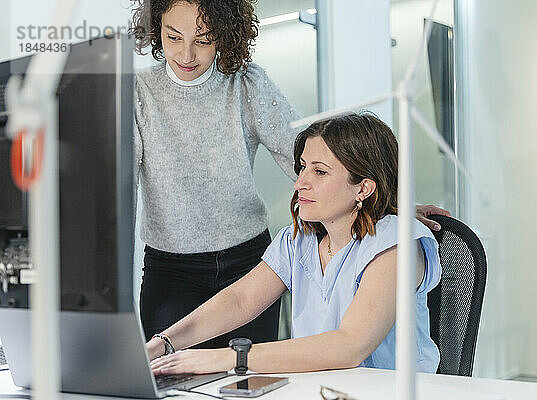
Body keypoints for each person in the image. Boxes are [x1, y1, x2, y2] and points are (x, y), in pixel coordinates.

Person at [130, 0, 449, 350]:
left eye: (203, 40)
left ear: (224, 36)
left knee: (245, 380)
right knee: (171, 372)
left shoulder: (247, 85)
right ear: (156, 31)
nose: (186, 54)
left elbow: (305, 154)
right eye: (174, 37)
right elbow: (119, 191)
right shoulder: (137, 94)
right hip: (172, 267)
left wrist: (385, 203)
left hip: (246, 259)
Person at [147, 113, 442, 374]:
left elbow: (350, 345)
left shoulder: (396, 244)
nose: (300, 182)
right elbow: (240, 301)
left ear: (363, 187)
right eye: (302, 168)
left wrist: (225, 358)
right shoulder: (297, 240)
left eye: (320, 172)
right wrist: (163, 343)